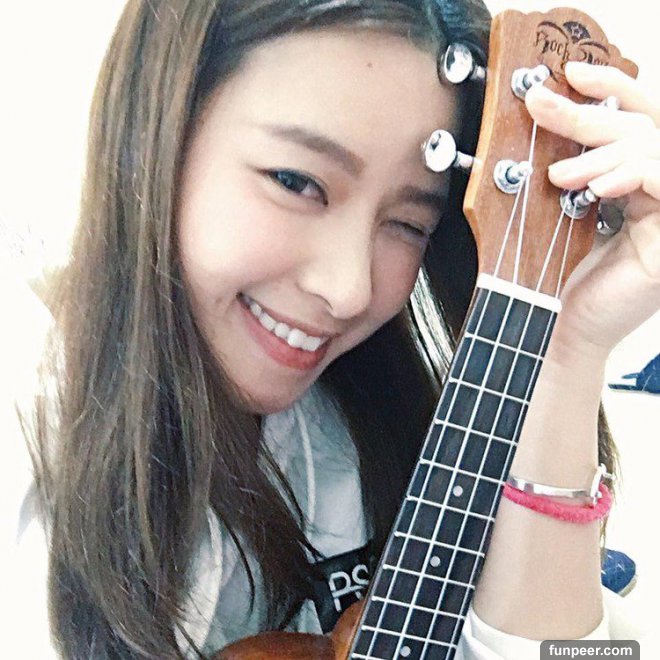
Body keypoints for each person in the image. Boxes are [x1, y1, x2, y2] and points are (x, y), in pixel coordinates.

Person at [3, 0, 659, 657]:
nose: (350, 291)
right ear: (154, 135)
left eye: (409, 223)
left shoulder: (409, 420)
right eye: (295, 182)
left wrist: (566, 352)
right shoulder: (26, 454)